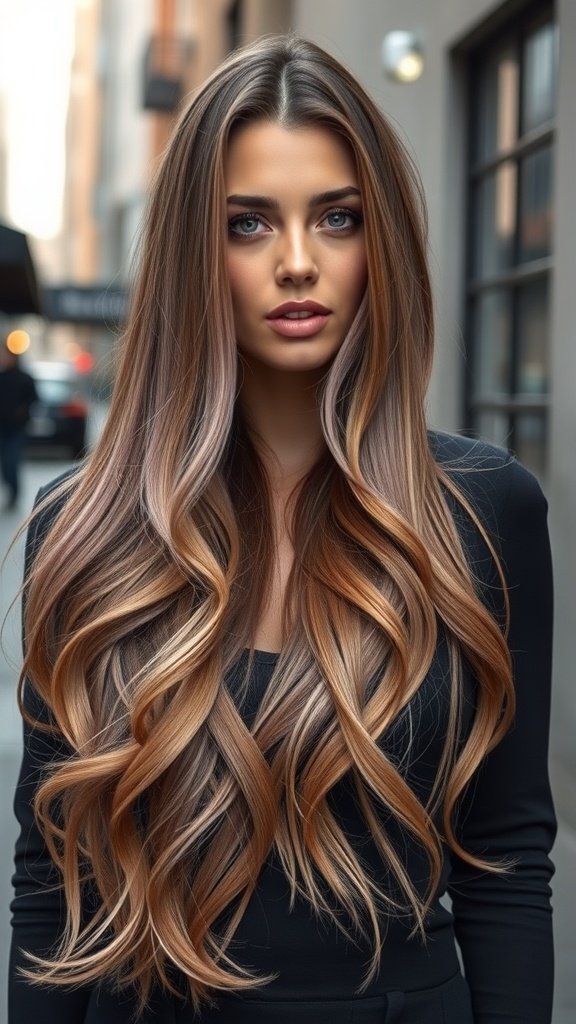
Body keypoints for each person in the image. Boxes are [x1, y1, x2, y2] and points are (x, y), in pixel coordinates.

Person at [9, 35, 556, 1024]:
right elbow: (53, 894)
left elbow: (509, 863)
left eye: (337, 218)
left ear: (377, 237)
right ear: (193, 250)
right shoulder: (84, 528)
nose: (298, 262)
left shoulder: (486, 510)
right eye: (249, 223)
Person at [0, 344, 38, 511]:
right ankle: (9, 488)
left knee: (12, 460)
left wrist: (23, 410)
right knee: (5, 463)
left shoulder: (25, 378)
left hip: (17, 429)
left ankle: (14, 494)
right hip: (2, 427)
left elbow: (34, 398)